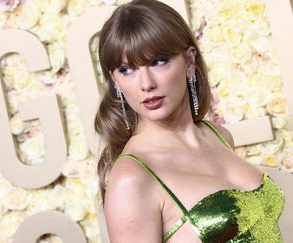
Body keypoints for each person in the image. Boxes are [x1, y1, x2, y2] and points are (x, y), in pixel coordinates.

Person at [94, 0, 285, 242]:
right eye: (127, 70)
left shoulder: (219, 136)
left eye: (158, 62)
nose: (146, 84)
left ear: (189, 62)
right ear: (115, 81)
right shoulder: (131, 179)